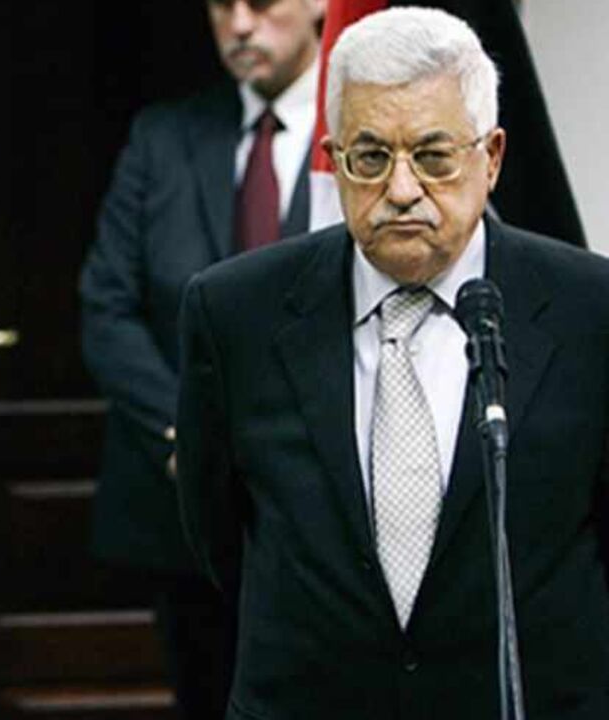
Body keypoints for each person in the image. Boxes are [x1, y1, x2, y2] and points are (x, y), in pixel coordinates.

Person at [176, 7, 609, 719]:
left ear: (491, 158)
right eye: (371, 158)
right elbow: (218, 533)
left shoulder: (589, 310)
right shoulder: (235, 313)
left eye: (434, 157)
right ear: (334, 157)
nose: (401, 190)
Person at [79, 0, 323, 716]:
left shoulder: (366, 135)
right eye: (222, 5)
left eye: (261, 3)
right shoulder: (165, 137)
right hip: (187, 521)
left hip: (325, 514)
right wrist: (186, 432)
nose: (239, 25)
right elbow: (106, 307)